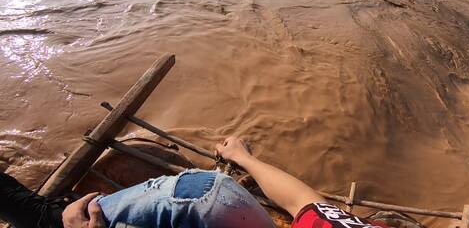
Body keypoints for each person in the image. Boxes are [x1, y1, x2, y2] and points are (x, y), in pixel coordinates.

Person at [1, 137, 389, 228]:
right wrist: (243, 158)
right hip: (214, 201)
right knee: (208, 196)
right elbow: (305, 202)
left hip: (201, 201)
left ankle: (49, 218)